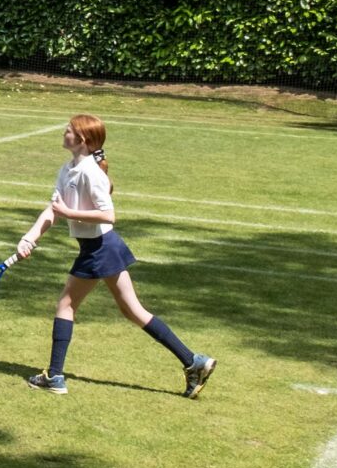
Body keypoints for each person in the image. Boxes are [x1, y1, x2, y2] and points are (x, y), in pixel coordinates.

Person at [16, 113, 215, 398]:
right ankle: (193, 362)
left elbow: (108, 214)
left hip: (99, 247)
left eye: (69, 130)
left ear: (83, 140)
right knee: (133, 310)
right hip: (102, 247)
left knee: (66, 305)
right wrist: (30, 237)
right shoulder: (68, 169)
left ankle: (56, 376)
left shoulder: (91, 173)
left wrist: (69, 213)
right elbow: (52, 210)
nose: (64, 132)